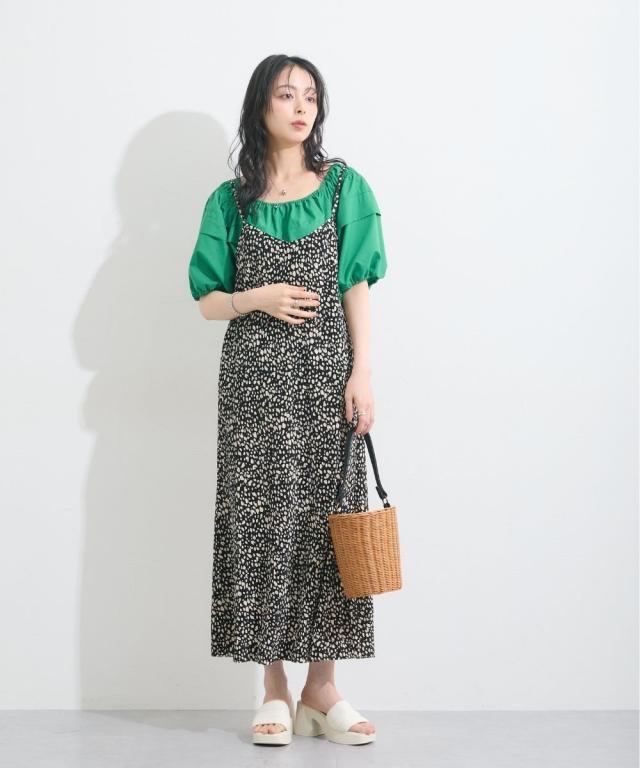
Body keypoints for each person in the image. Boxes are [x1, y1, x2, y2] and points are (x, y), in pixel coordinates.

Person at [188, 54, 387, 747]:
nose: (301, 107)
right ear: (260, 107)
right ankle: (273, 687)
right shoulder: (229, 202)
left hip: (327, 379)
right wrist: (257, 298)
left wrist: (363, 372)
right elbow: (208, 300)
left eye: (310, 96)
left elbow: (357, 284)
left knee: (332, 522)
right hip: (252, 384)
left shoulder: (344, 187)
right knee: (260, 524)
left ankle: (321, 689)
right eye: (286, 94)